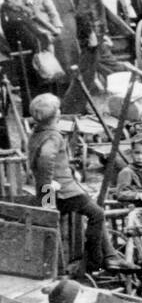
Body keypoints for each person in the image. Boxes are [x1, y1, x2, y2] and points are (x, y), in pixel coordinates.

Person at [28, 94, 134, 275]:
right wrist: (49, 197)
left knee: (95, 210)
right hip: (63, 192)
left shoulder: (37, 133)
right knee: (97, 214)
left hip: (58, 189)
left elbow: (39, 162)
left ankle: (109, 257)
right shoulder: (53, 136)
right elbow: (45, 159)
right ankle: (97, 261)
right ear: (56, 115)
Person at [71, 0, 108, 114]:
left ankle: (78, 107)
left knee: (88, 73)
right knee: (86, 74)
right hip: (89, 38)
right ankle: (72, 108)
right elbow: (82, 13)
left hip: (92, 35)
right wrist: (92, 34)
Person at [37, 0, 79, 81]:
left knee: (81, 56)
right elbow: (40, 10)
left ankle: (86, 85)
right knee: (65, 59)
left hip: (77, 22)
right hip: (59, 26)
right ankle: (68, 87)